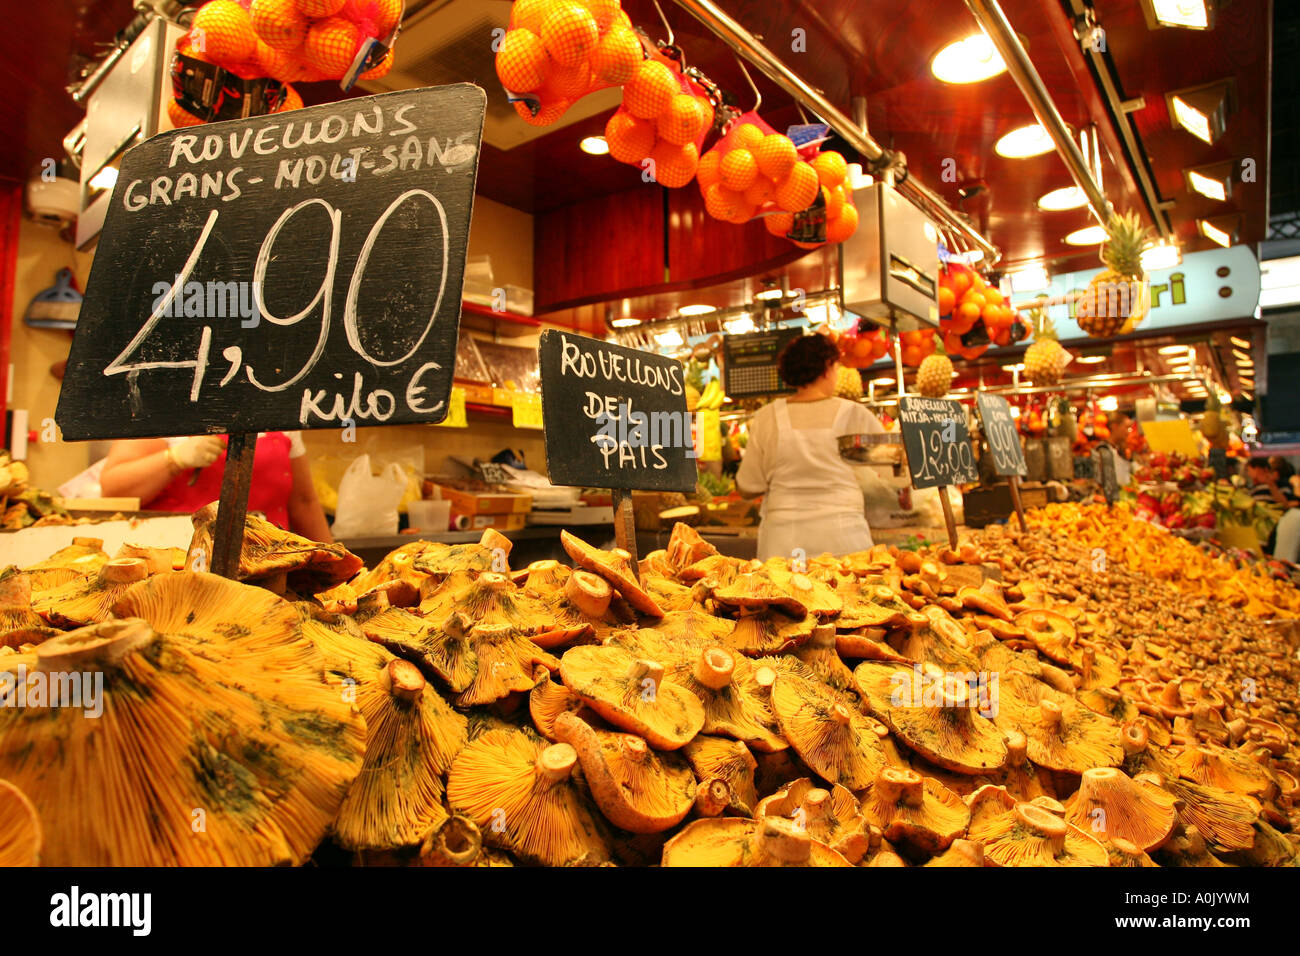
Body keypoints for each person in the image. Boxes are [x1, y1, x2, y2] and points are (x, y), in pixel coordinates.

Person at [736, 334, 884, 561]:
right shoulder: (855, 414)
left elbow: (747, 487)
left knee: (783, 595)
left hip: (783, 544)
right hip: (844, 539)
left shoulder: (767, 417)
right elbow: (888, 471)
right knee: (850, 594)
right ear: (827, 367)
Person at [99, 432, 333, 542]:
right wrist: (174, 459)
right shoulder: (161, 406)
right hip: (179, 567)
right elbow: (113, 488)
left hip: (269, 565)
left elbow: (304, 502)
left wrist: (339, 572)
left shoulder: (278, 410)